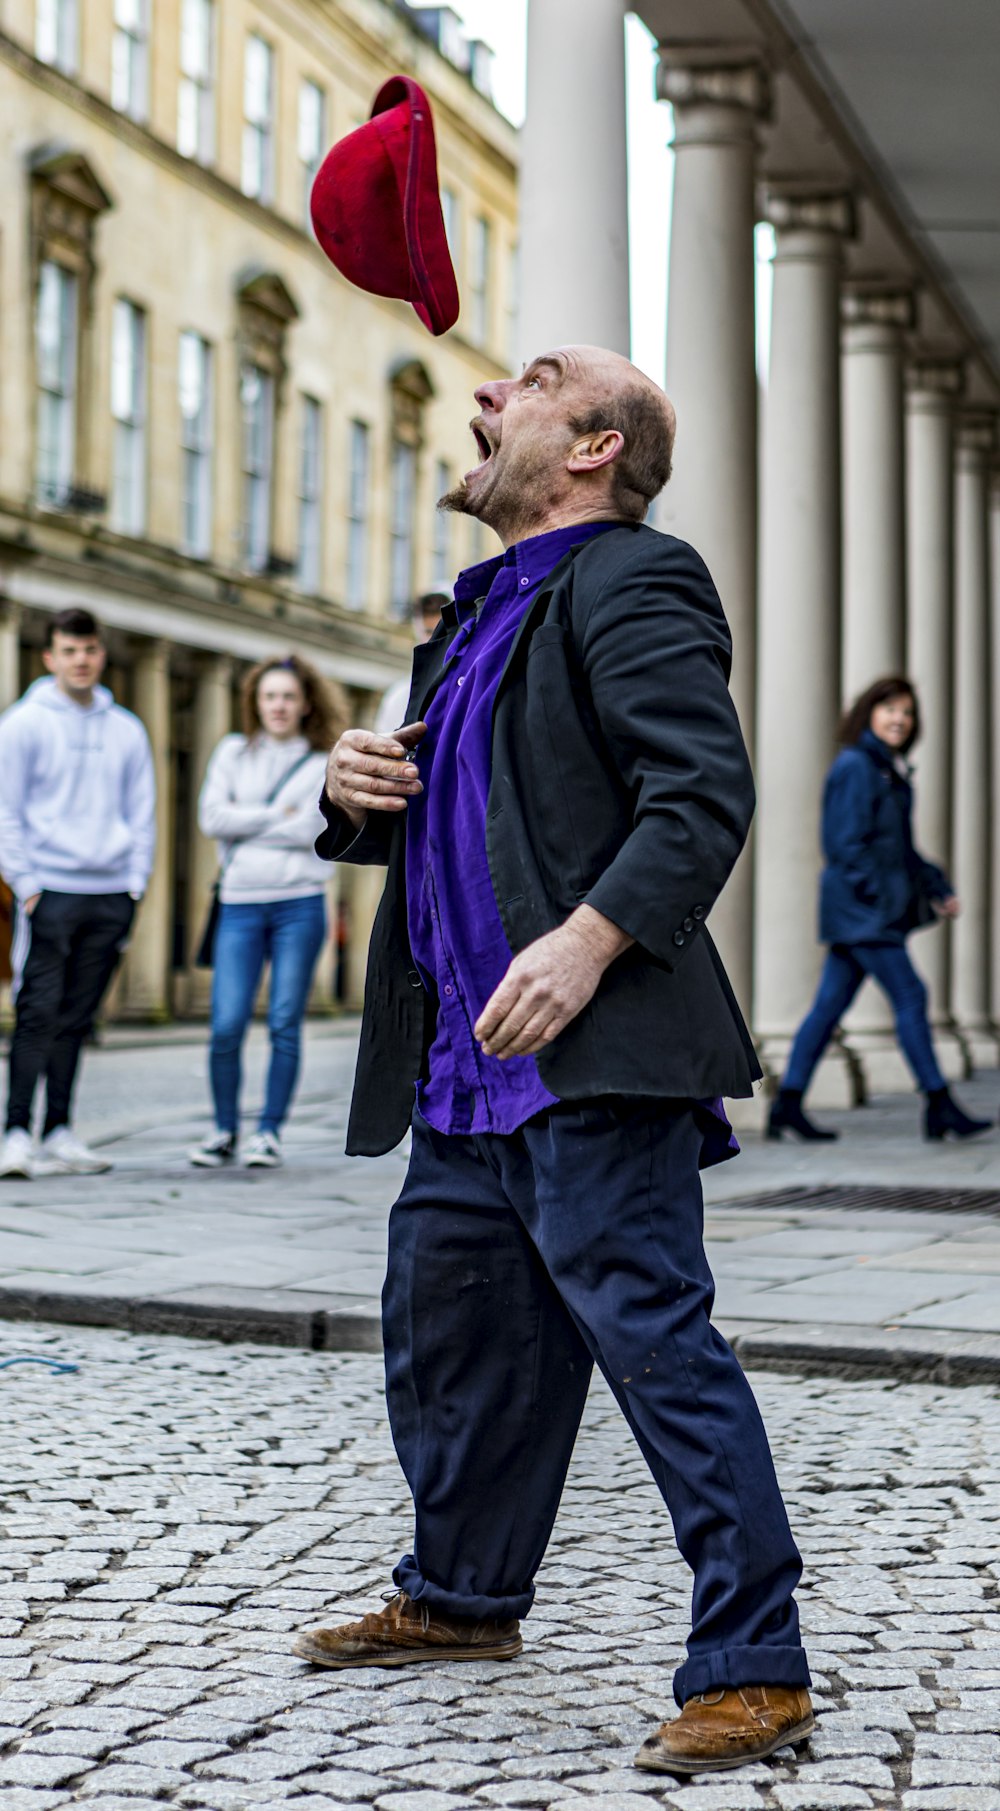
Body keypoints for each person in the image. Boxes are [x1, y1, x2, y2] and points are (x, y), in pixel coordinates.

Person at [295, 345, 814, 1778]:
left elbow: (700, 793)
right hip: (465, 1068)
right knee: (453, 1341)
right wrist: (352, 789)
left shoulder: (633, 578)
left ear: (592, 444)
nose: (481, 399)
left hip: (592, 1054)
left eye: (522, 382)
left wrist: (587, 943)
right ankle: (462, 1598)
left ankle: (756, 1662)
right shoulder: (476, 612)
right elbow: (482, 805)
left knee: (656, 1345)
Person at [769, 677, 991, 1144]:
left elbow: (901, 848)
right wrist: (878, 897)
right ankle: (939, 1104)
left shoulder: (885, 770)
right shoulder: (856, 766)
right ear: (868, 713)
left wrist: (937, 886)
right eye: (889, 708)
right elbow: (843, 845)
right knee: (910, 994)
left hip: (863, 909)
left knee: (829, 1007)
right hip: (862, 911)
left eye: (907, 712)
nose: (899, 719)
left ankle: (787, 1105)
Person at [0, 608, 155, 1179]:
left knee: (78, 1017)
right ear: (50, 658)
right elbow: (5, 810)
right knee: (36, 1012)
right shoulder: (23, 724)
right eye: (69, 651)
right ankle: (16, 1134)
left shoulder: (126, 729)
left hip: (110, 891)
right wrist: (27, 887)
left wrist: (135, 885)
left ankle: (58, 1130)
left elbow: (142, 812)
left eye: (89, 650)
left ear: (101, 655)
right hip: (50, 890)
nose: (81, 660)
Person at [189, 655, 341, 1170]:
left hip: (300, 904)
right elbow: (211, 817)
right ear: (256, 702)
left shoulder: (323, 759)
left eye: (288, 697)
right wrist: (280, 816)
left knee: (283, 1021)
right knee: (227, 1023)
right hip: (239, 904)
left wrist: (248, 823)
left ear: (304, 705)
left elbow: (313, 831)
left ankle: (269, 1132)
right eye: (269, 696)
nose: (278, 706)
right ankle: (222, 1130)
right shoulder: (233, 752)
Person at [374, 592, 448, 737]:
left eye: (441, 631)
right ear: (417, 632)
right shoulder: (399, 698)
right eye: (428, 632)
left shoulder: (469, 686)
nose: (434, 639)